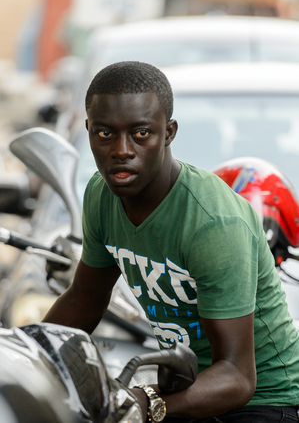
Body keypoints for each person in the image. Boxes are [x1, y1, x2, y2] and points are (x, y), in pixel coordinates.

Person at [42, 61, 299, 422]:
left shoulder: (213, 222)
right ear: (87, 130)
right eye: (104, 134)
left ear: (169, 132)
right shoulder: (100, 195)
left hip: (264, 400)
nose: (122, 150)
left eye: (141, 133)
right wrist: (31, 352)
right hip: (186, 386)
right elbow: (85, 298)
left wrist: (144, 406)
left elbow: (238, 377)